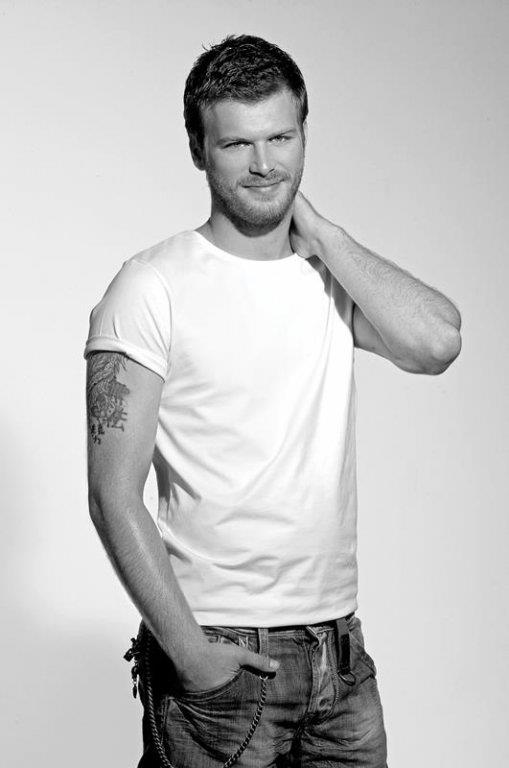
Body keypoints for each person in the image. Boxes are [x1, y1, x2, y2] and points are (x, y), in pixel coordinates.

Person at [84, 34, 461, 768]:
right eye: (237, 144)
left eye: (281, 138)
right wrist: (191, 655)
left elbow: (437, 342)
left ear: (304, 135)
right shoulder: (150, 286)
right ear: (199, 151)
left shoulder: (328, 277)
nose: (264, 164)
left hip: (340, 658)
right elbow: (111, 493)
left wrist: (323, 234)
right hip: (220, 653)